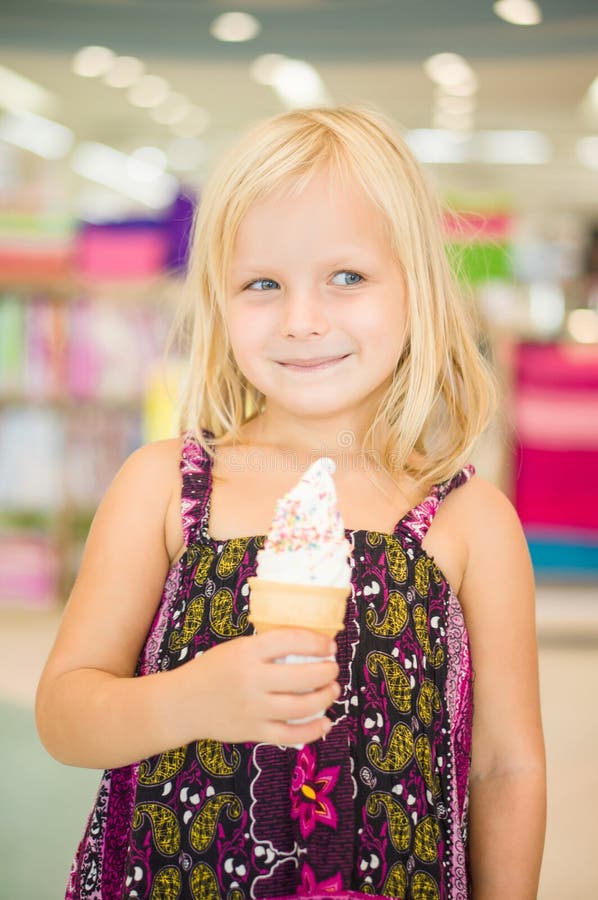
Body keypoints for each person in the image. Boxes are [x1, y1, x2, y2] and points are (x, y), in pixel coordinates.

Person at [36, 106, 546, 900]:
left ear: (417, 285)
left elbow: (506, 766)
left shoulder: (468, 521)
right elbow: (65, 714)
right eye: (262, 284)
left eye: (347, 277)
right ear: (218, 299)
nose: (303, 320)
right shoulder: (166, 489)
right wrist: (192, 698)